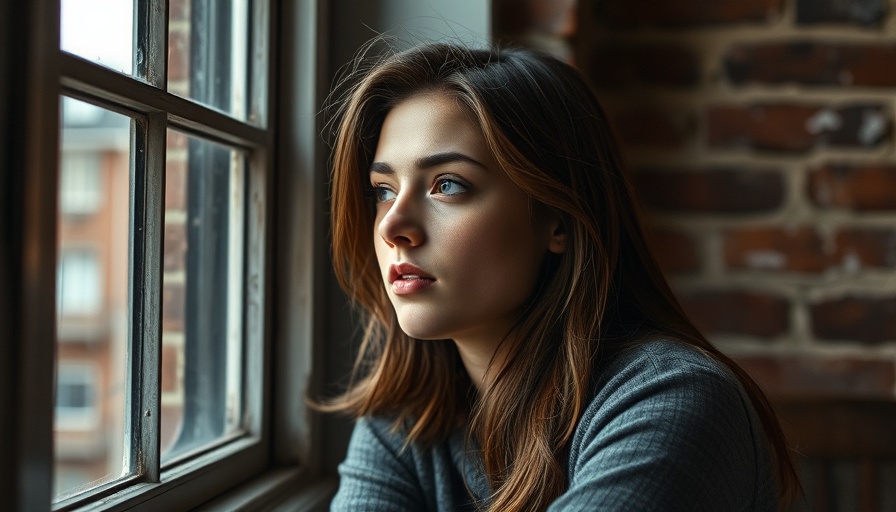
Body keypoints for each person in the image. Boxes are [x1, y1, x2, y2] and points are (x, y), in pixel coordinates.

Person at [323, 41, 799, 511]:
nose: (392, 226)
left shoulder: (673, 400)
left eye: (448, 185)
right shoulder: (405, 424)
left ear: (558, 219)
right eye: (384, 190)